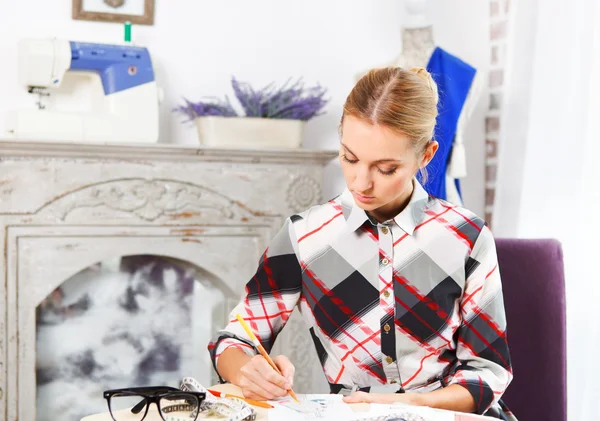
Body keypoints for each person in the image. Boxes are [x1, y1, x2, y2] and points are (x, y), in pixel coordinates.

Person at [208, 67, 516, 420]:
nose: (361, 182)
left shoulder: (467, 237)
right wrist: (245, 370)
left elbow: (487, 373)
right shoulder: (304, 237)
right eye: (350, 158)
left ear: (426, 156)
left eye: (386, 169)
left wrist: (407, 404)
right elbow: (234, 340)